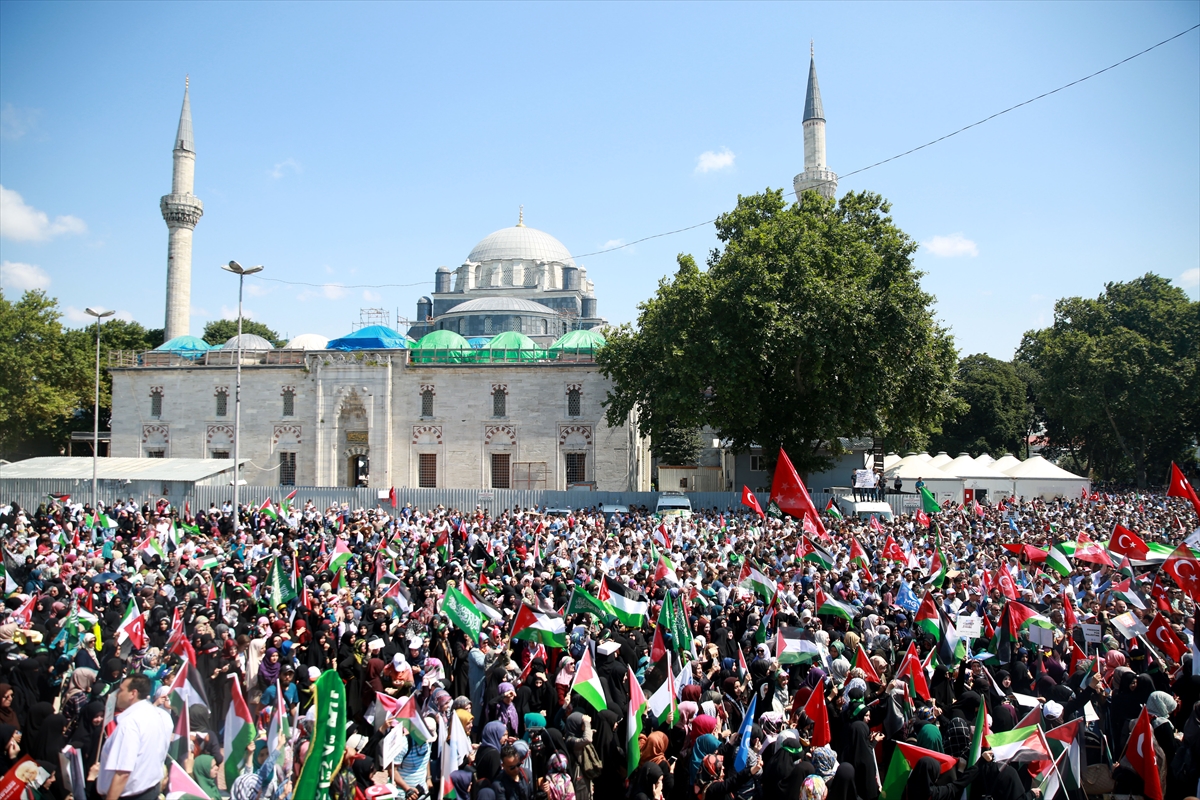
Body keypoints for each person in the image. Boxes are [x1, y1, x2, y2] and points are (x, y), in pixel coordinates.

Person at [96, 674, 172, 800]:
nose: (116, 694)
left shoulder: (129, 723)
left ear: (133, 694)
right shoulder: (155, 714)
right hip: (149, 791)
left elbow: (123, 772)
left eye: (121, 690)